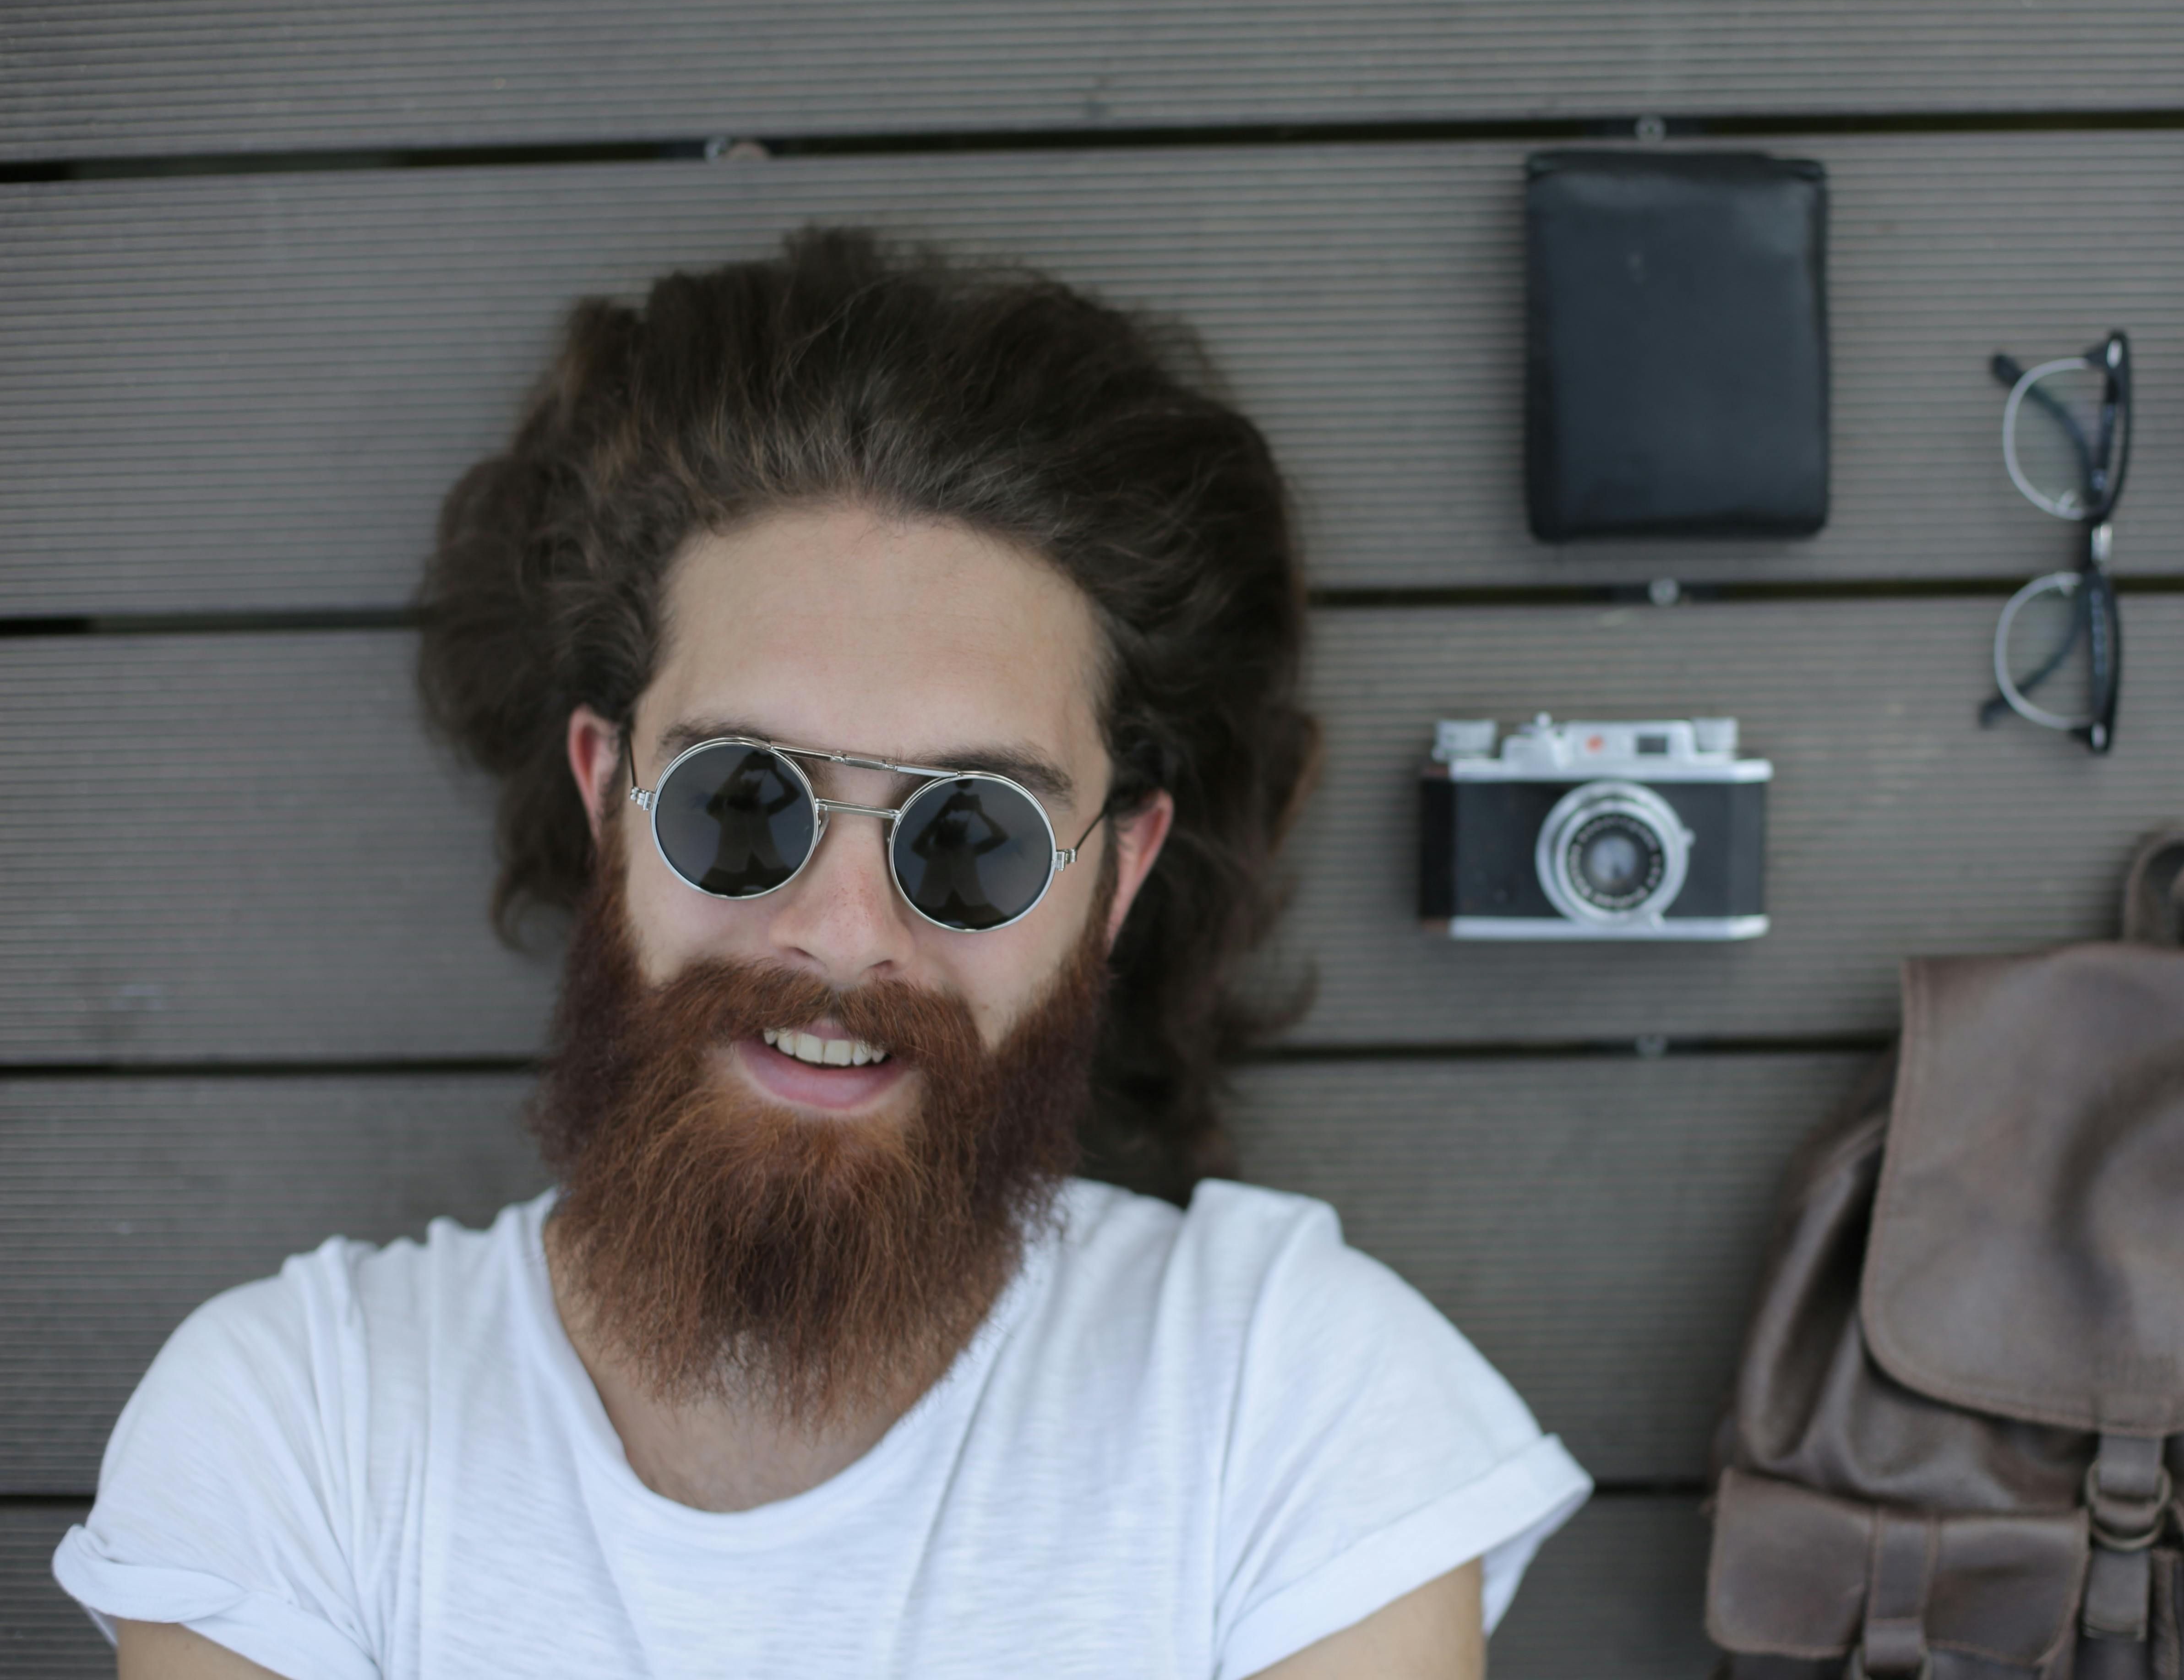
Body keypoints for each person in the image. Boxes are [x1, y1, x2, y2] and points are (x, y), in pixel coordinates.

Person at [54, 229, 1590, 1678]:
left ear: (1116, 875)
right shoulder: (293, 1422)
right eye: (745, 802)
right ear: (607, 799)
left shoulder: (1300, 1397)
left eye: (972, 834)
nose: (846, 934)